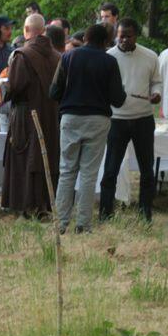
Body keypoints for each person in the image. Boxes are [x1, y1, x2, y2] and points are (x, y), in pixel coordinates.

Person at [50, 24, 126, 233]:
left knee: (66, 171)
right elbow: (118, 99)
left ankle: (61, 222)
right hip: (97, 120)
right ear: (105, 42)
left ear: (84, 38)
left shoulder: (68, 57)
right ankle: (83, 224)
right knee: (89, 173)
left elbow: (54, 91)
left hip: (71, 117)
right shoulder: (110, 62)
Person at [0, 14, 61, 216]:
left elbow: (15, 87)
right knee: (45, 158)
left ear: (26, 30)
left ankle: (27, 205)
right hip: (50, 115)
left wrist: (3, 88)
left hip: (25, 115)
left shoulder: (22, 55)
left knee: (26, 159)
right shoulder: (58, 56)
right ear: (43, 31)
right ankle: (44, 204)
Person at [101, 18, 162, 222]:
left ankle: (145, 213)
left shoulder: (150, 56)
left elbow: (156, 82)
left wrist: (156, 94)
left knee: (147, 169)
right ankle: (105, 213)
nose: (125, 39)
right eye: (121, 35)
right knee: (111, 169)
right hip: (116, 120)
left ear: (137, 35)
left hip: (143, 118)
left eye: (129, 35)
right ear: (116, 35)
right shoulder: (109, 57)